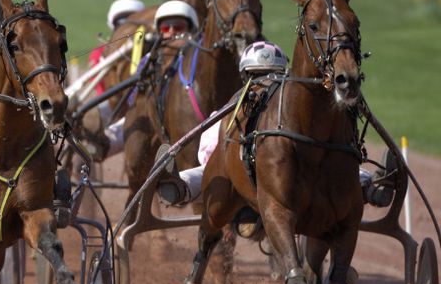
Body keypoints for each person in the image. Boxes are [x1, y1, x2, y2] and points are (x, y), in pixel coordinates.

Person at [155, 40, 396, 209]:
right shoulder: (230, 111)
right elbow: (206, 154)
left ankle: (372, 188)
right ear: (244, 78)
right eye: (256, 77)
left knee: (334, 171)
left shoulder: (282, 117)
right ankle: (178, 187)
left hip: (287, 184)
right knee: (212, 173)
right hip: (233, 181)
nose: (264, 82)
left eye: (272, 75)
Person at [81, 0, 199, 162]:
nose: (171, 32)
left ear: (190, 29)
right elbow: (133, 100)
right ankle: (105, 143)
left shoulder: (197, 60)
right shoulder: (148, 61)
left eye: (178, 27)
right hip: (149, 118)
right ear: (160, 32)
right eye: (166, 28)